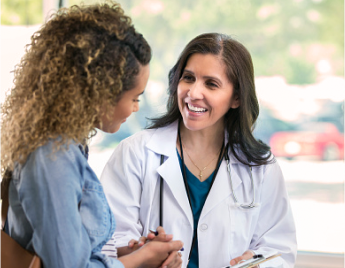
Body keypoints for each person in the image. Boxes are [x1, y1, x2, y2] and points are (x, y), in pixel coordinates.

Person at [0, 2, 183, 268]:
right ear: (100, 93)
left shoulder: (68, 147)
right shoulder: (52, 158)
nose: (136, 107)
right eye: (134, 97)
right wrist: (140, 260)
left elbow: (72, 253)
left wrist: (130, 255)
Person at [101, 33, 297, 268]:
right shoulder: (135, 153)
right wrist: (141, 252)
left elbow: (280, 251)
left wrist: (258, 263)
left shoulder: (260, 166)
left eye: (211, 84)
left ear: (236, 98)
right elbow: (107, 242)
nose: (193, 93)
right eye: (188, 78)